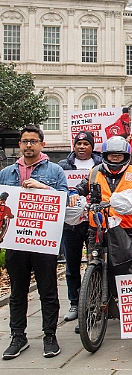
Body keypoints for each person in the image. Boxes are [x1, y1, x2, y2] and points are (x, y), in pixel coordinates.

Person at [0, 125, 70, 360]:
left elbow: (66, 200)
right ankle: (18, 336)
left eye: (33, 141)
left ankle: (49, 335)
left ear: (42, 144)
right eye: (24, 141)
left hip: (42, 241)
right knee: (17, 292)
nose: (28, 145)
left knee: (48, 291)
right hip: (16, 240)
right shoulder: (7, 173)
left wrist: (43, 187)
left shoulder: (55, 170)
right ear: (20, 144)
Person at [71, 136, 132, 276]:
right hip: (98, 227)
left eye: (119, 156)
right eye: (112, 156)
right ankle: (95, 293)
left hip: (125, 228)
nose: (115, 159)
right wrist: (74, 194)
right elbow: (80, 187)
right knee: (94, 263)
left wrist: (131, 201)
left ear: (125, 156)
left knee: (128, 267)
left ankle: (125, 296)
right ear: (106, 156)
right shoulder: (94, 172)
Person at [57, 131, 102, 324]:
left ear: (92, 147)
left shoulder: (100, 166)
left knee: (95, 263)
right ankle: (75, 303)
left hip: (93, 221)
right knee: (72, 264)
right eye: (78, 143)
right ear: (73, 146)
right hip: (71, 223)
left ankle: (93, 302)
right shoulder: (62, 166)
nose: (82, 146)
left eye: (86, 143)